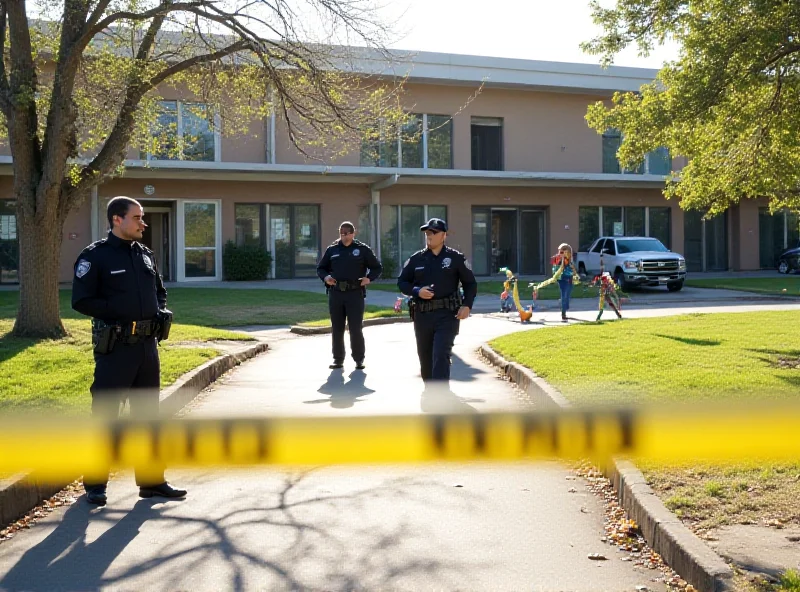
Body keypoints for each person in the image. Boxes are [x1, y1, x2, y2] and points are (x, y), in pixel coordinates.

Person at [72, 196, 187, 506]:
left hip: (148, 349)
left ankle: (151, 482)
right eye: (137, 217)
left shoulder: (145, 255)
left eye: (143, 217)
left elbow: (159, 292)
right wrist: (117, 311)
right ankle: (95, 484)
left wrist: (161, 310)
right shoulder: (95, 257)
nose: (143, 223)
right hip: (116, 349)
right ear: (117, 220)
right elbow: (81, 300)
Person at [398, 218, 477, 384]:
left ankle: (441, 395)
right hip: (423, 315)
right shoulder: (416, 259)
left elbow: (470, 284)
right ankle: (430, 390)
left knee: (441, 353)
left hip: (447, 315)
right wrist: (417, 291)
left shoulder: (455, 258)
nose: (429, 236)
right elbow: (402, 282)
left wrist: (467, 305)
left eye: (433, 232)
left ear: (443, 235)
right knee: (425, 358)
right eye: (427, 233)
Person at [316, 221, 383, 370]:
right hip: (336, 293)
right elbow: (321, 268)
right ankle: (338, 359)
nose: (344, 236)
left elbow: (377, 267)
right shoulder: (332, 250)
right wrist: (326, 278)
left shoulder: (362, 249)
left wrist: (369, 278)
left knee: (355, 327)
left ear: (353, 233)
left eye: (347, 233)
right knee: (337, 327)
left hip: (355, 293)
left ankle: (359, 359)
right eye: (341, 233)